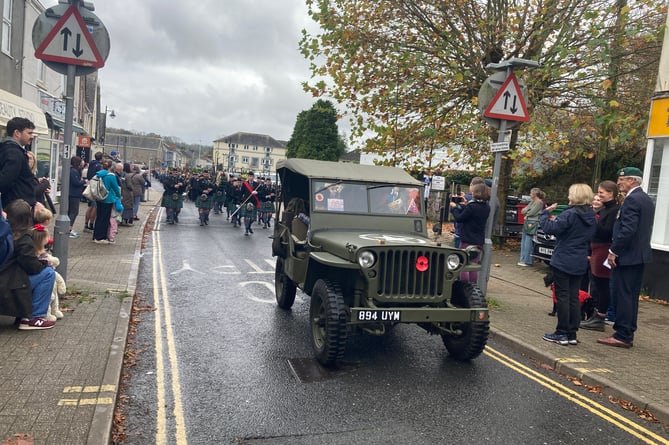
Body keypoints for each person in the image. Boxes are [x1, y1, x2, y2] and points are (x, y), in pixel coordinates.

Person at [598, 167, 655, 348]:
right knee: (630, 296)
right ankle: (627, 330)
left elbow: (627, 230)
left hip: (628, 256)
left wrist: (614, 251)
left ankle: (622, 334)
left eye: (622, 179)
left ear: (632, 180)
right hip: (639, 255)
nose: (619, 182)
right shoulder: (645, 199)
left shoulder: (632, 200)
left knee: (622, 295)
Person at [539, 184, 596, 346]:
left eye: (570, 194)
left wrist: (544, 214)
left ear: (575, 196)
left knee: (562, 297)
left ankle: (562, 332)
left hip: (564, 259)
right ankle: (571, 332)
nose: (568, 196)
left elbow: (550, 228)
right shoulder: (591, 215)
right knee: (573, 297)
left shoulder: (569, 214)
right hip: (579, 260)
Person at [0, 200, 56, 329]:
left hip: (5, 279)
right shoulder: (23, 238)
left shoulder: (5, 233)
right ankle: (34, 318)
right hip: (8, 283)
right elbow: (31, 266)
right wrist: (44, 264)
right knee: (48, 274)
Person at [580, 181, 620, 331]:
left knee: (602, 285)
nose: (599, 195)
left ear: (611, 193)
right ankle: (596, 315)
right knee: (597, 283)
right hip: (596, 249)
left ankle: (600, 317)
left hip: (604, 249)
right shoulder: (605, 210)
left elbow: (607, 232)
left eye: (601, 192)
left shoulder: (614, 210)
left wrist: (593, 220)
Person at [0, 117, 43, 217]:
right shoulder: (14, 153)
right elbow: (6, 180)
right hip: (17, 209)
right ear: (17, 133)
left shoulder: (10, 150)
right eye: (29, 133)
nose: (32, 136)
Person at [449, 182, 490, 283]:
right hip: (478, 240)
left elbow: (460, 218)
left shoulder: (471, 207)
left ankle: (464, 286)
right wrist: (466, 204)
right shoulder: (486, 207)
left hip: (467, 239)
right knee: (473, 265)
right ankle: (472, 287)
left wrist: (454, 207)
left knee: (463, 264)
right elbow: (471, 214)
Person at [92, 160, 121, 244]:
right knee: (105, 219)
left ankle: (95, 235)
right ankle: (101, 237)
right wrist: (119, 196)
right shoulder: (111, 176)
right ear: (113, 168)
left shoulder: (99, 174)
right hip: (108, 199)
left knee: (99, 217)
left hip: (99, 198)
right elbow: (116, 188)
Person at [518, 188, 545, 266]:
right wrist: (527, 211)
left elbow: (532, 212)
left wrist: (527, 212)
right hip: (527, 221)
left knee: (528, 241)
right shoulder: (532, 202)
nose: (530, 194)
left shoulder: (539, 202)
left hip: (533, 222)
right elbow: (523, 210)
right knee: (524, 240)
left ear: (534, 194)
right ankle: (522, 259)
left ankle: (527, 260)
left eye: (531, 193)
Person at [84, 151, 104, 232]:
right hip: (96, 187)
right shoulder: (99, 166)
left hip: (90, 185)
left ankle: (86, 224)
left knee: (90, 206)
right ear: (101, 158)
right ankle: (91, 225)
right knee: (94, 207)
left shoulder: (91, 164)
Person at [68, 156, 86, 238]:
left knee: (71, 211)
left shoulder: (70, 170)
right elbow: (76, 182)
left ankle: (68, 227)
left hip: (71, 193)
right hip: (74, 194)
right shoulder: (73, 171)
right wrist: (83, 181)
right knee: (74, 211)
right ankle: (69, 228)